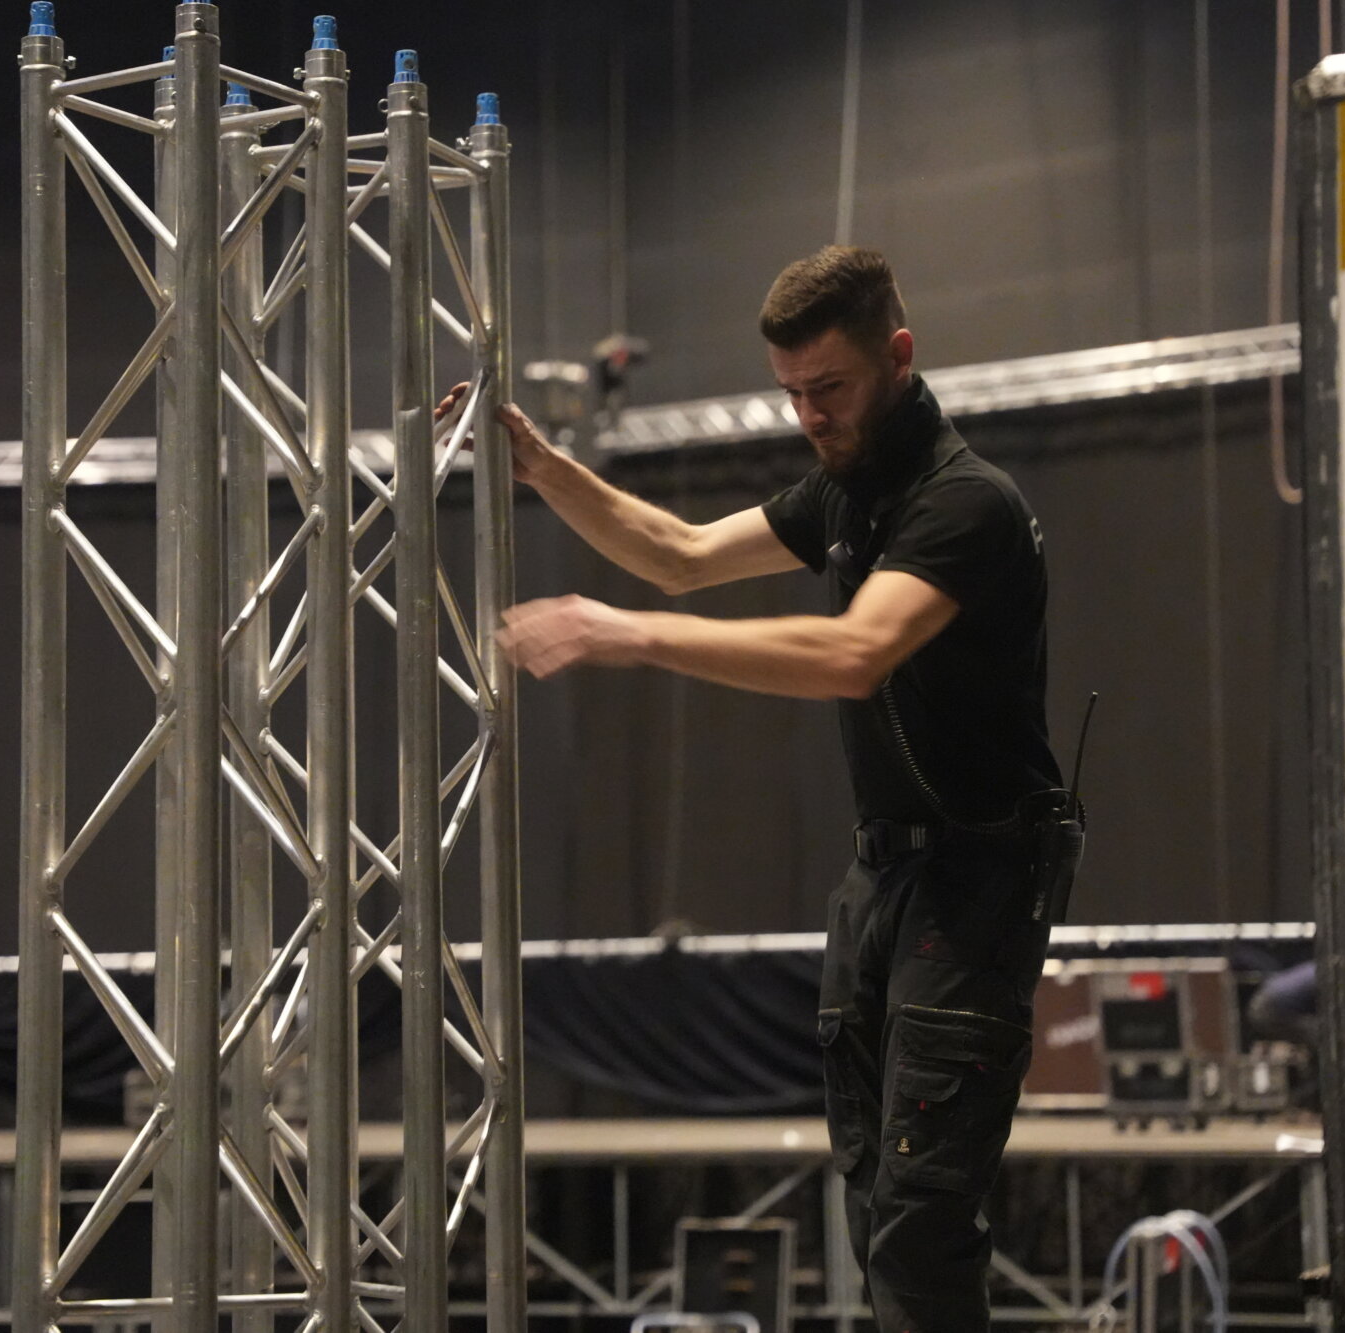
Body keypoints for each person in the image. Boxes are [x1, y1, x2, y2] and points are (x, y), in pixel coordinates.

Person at [438, 245, 1064, 1332]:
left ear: (898, 356)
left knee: (919, 1221)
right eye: (791, 393)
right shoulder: (847, 495)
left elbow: (853, 653)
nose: (809, 415)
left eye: (830, 388)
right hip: (885, 877)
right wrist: (541, 464)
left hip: (976, 881)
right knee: (875, 1198)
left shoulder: (964, 503)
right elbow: (679, 552)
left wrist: (629, 636)